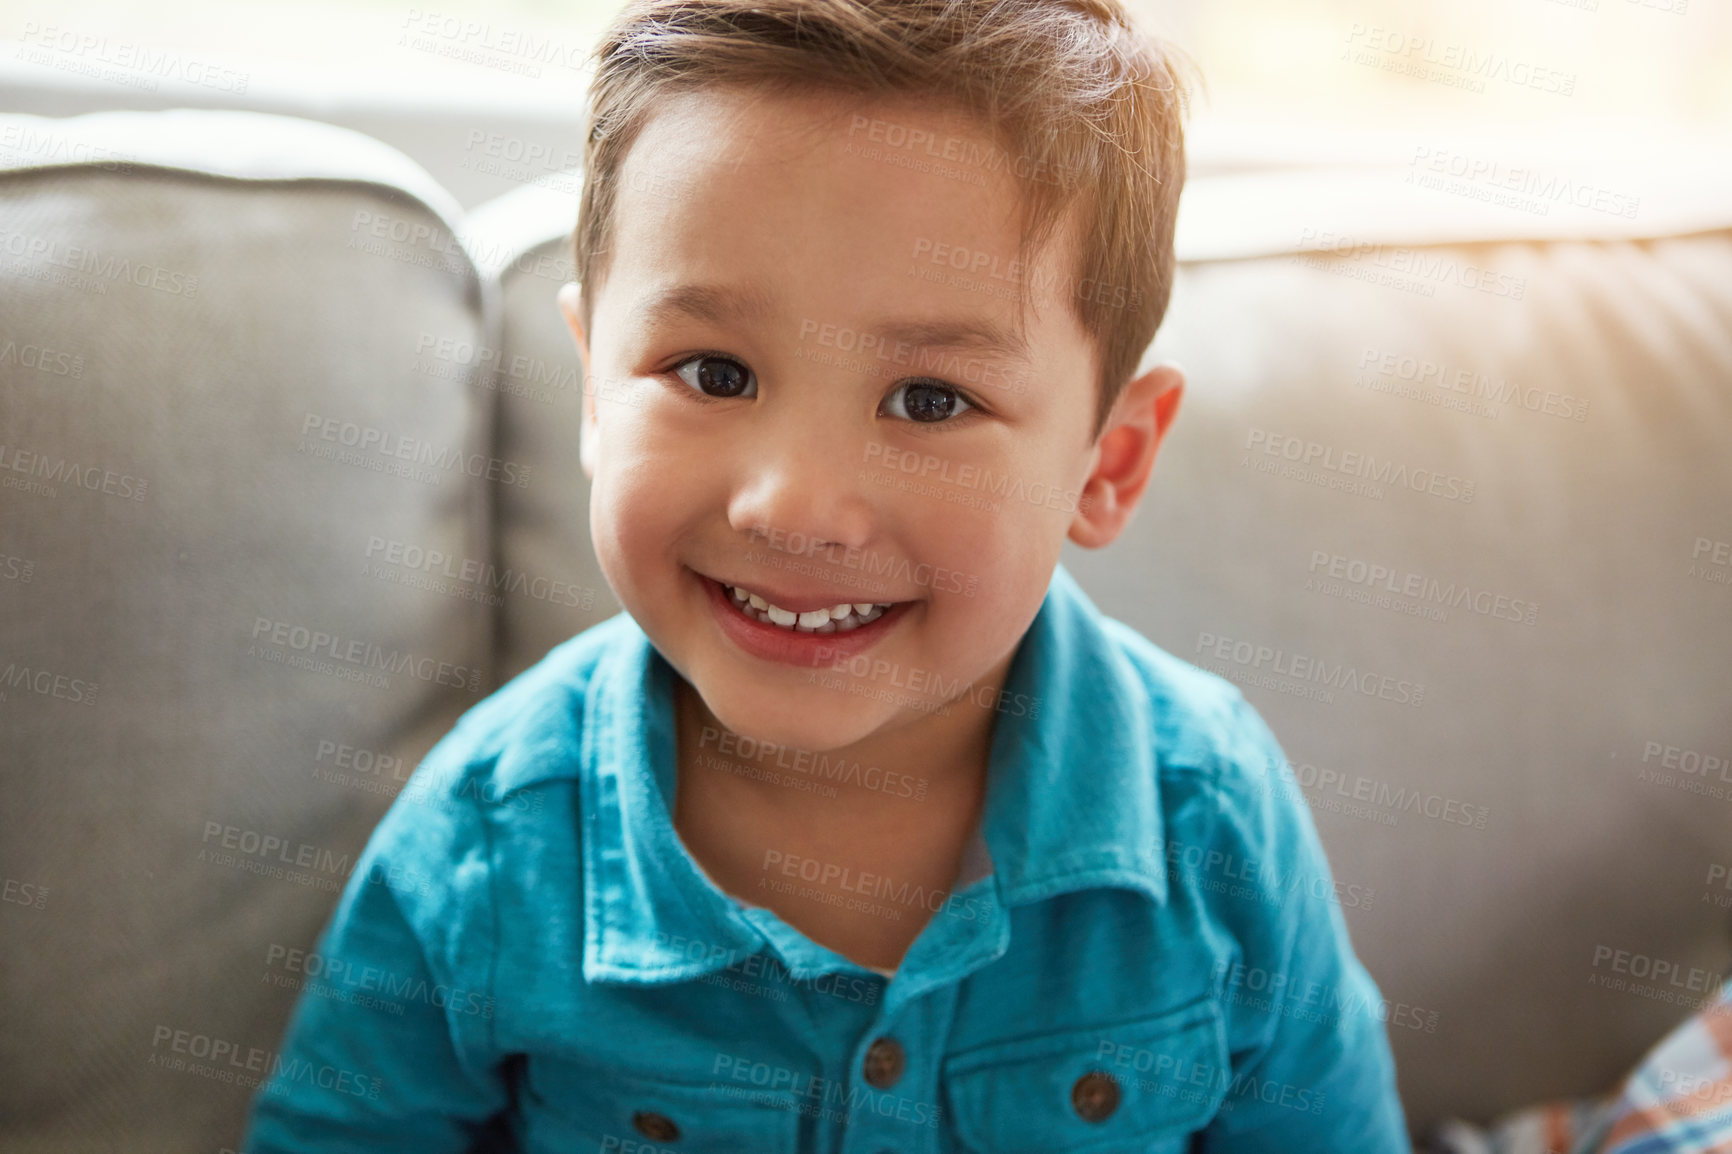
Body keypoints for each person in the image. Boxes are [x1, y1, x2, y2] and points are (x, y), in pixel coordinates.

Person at [244, 0, 1410, 1149]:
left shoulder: (1208, 811)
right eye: (713, 372)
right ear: (595, 390)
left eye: (931, 400)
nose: (792, 503)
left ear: (1108, 462)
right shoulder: (490, 840)